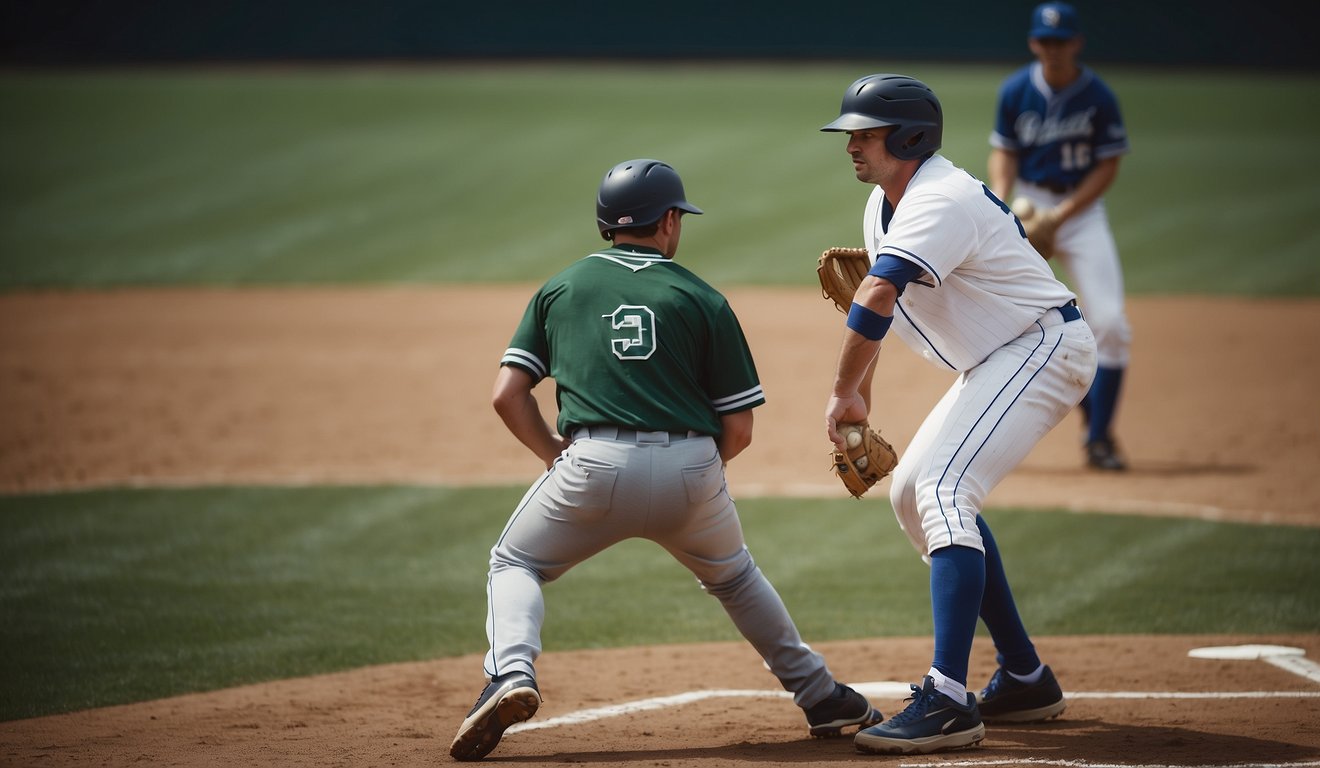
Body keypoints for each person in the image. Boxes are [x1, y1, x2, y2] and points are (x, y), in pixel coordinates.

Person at [448, 158, 883, 761]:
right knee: (734, 578)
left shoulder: (561, 287)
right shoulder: (700, 296)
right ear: (670, 221)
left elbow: (507, 396)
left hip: (591, 466)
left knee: (515, 562)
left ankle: (512, 675)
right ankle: (821, 697)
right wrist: (696, 477)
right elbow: (739, 427)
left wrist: (555, 456)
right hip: (691, 468)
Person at [818, 74, 1098, 755]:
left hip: (1041, 346)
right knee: (916, 496)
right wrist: (866, 384)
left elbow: (881, 290)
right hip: (1003, 356)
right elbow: (884, 297)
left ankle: (948, 697)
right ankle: (1026, 676)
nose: (851, 144)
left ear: (910, 136)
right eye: (849, 133)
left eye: (866, 133)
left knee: (944, 488)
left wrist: (846, 393)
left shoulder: (938, 198)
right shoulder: (888, 203)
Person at [987, 1, 1132, 471]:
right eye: (1044, 41)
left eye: (1061, 41)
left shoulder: (1098, 96)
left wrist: (1063, 215)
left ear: (1077, 43)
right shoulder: (1015, 91)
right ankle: (1096, 436)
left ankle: (1099, 434)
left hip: (1082, 212)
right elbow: (1004, 155)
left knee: (1108, 321)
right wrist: (1001, 206)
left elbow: (1108, 165)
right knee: (1029, 323)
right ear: (1034, 43)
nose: (1052, 50)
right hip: (1027, 205)